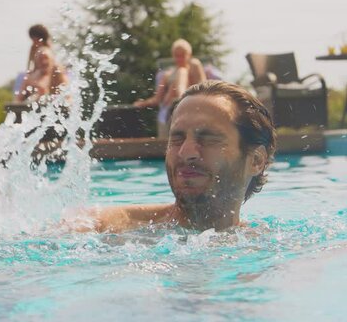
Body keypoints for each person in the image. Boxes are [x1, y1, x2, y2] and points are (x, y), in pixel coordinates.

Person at [81, 80, 276, 232]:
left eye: (209, 139)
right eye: (177, 138)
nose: (186, 152)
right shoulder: (103, 227)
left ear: (257, 160)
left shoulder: (269, 245)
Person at [133, 39, 207, 138]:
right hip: (170, 111)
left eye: (183, 55)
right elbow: (157, 98)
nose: (180, 58)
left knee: (183, 71)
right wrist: (143, 103)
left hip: (192, 108)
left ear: (189, 54)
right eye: (177, 55)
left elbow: (204, 88)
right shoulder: (168, 74)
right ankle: (180, 101)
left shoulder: (193, 66)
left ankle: (182, 99)